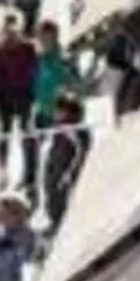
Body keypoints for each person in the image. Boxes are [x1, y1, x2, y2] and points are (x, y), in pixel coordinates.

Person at [26, 20, 83, 198]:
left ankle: (60, 192)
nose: (41, 41)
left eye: (45, 37)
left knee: (57, 161)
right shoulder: (39, 59)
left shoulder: (64, 59)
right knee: (30, 147)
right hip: (43, 112)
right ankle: (31, 184)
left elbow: (77, 86)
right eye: (39, 37)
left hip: (63, 116)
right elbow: (36, 84)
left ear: (54, 36)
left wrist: (67, 102)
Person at [0, 16, 41, 184]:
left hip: (23, 94)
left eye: (14, 30)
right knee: (6, 132)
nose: (11, 34)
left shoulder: (29, 48)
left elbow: (36, 69)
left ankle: (30, 171)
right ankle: (3, 170)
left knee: (26, 131)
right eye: (7, 31)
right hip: (5, 95)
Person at [39, 88, 89, 230]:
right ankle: (55, 221)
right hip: (55, 168)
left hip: (63, 171)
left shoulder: (76, 129)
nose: (55, 113)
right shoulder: (60, 127)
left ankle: (60, 224)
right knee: (52, 194)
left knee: (61, 198)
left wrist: (69, 172)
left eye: (58, 110)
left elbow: (81, 152)